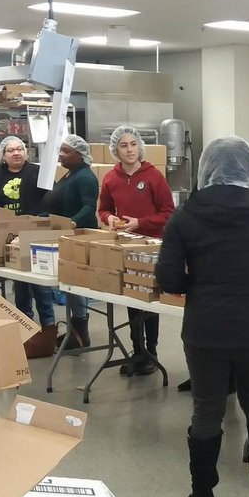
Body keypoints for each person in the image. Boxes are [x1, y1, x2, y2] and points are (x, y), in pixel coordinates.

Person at [155, 136, 249, 497]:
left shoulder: (186, 215)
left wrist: (201, 286)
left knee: (207, 410)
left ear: (206, 169)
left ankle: (202, 494)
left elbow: (168, 279)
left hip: (207, 327)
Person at [98, 125, 176, 377]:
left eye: (133, 144)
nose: (130, 150)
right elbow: (102, 209)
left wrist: (140, 223)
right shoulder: (111, 178)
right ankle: (137, 350)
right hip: (125, 246)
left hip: (151, 248)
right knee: (131, 301)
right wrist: (109, 218)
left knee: (149, 301)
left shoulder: (154, 177)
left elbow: (168, 213)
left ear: (139, 147)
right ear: (115, 150)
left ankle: (151, 353)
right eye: (123, 145)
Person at [0, 136, 56, 358]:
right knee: (20, 284)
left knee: (40, 284)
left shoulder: (37, 172)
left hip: (35, 232)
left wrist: (40, 216)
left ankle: (48, 329)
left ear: (26, 152)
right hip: (9, 236)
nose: (16, 153)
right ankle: (26, 330)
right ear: (3, 155)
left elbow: (52, 197)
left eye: (20, 148)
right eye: (11, 150)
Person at [43, 134, 98, 352]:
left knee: (76, 285)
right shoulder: (70, 174)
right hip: (65, 234)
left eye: (66, 151)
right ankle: (76, 331)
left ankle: (81, 332)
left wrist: (73, 221)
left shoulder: (85, 177)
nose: (61, 155)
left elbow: (88, 207)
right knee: (70, 285)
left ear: (80, 155)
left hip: (79, 236)